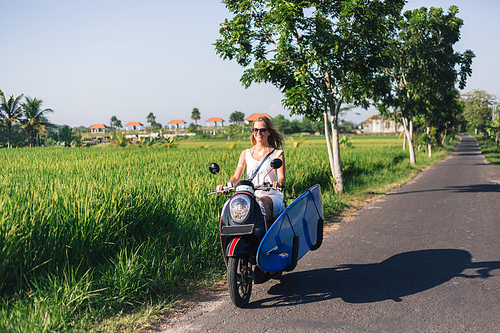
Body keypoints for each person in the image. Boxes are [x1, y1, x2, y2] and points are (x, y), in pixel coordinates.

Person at [217, 116, 285, 224]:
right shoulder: (246, 153)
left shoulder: (277, 154)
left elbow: (281, 177)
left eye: (262, 130)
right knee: (232, 206)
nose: (259, 133)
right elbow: (236, 177)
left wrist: (279, 183)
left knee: (262, 203)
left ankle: (264, 236)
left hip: (270, 195)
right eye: (255, 130)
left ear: (269, 132)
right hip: (249, 195)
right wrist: (226, 185)